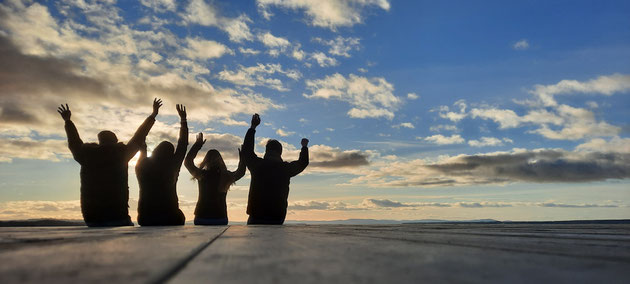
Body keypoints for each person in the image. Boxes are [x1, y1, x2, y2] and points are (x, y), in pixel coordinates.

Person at [57, 99, 162, 227]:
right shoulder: (122, 154)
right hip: (118, 216)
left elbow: (74, 142)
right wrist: (153, 115)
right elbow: (140, 135)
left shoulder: (86, 154)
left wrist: (68, 121)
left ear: (100, 141)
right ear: (115, 140)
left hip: (92, 218)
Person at [242, 114, 309, 225]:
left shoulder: (257, 165)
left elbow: (247, 151)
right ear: (280, 152)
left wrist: (252, 128)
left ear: (266, 151)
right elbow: (302, 163)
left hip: (256, 215)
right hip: (277, 216)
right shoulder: (285, 169)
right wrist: (304, 147)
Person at [135, 104, 188, 226]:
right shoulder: (173, 164)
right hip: (170, 217)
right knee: (180, 215)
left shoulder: (143, 165)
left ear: (155, 151)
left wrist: (153, 114)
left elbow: (141, 147)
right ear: (171, 154)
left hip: (145, 218)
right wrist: (183, 120)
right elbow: (183, 144)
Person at [185, 133, 246, 225]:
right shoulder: (226, 176)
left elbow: (188, 162)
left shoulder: (201, 175)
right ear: (221, 161)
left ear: (206, 160)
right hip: (220, 218)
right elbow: (241, 172)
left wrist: (197, 145)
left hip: (201, 217)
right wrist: (243, 158)